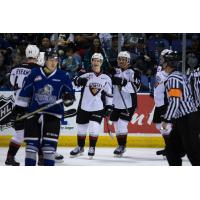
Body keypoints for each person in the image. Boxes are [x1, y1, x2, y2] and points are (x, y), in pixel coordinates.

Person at [12, 51, 75, 166]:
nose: (53, 62)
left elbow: (70, 96)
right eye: (51, 59)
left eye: (56, 60)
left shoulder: (63, 76)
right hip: (33, 115)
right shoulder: (34, 73)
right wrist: (19, 109)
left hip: (53, 116)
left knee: (49, 149)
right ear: (45, 60)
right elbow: (25, 92)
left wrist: (69, 97)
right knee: (31, 147)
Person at [70, 53, 113, 159]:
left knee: (94, 128)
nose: (96, 62)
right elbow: (74, 82)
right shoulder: (85, 73)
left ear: (101, 62)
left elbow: (109, 94)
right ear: (91, 61)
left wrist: (109, 106)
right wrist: (78, 80)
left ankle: (92, 147)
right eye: (94, 60)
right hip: (83, 106)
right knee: (81, 130)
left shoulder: (106, 78)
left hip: (98, 108)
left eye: (98, 60)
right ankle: (80, 147)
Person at [161, 50, 200, 166]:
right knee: (172, 151)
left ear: (167, 63)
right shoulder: (179, 76)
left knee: (193, 152)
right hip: (183, 119)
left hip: (187, 119)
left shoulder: (173, 79)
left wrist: (167, 119)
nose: (161, 62)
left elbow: (174, 101)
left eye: (163, 60)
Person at [5, 45, 41, 166]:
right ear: (37, 55)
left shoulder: (15, 69)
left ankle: (10, 158)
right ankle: (41, 159)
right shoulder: (39, 70)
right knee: (39, 133)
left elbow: (11, 83)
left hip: (18, 105)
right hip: (33, 106)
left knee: (19, 134)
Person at [109, 51, 141, 157]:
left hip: (128, 103)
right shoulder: (115, 71)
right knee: (116, 125)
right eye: (120, 59)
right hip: (116, 103)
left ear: (128, 61)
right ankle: (120, 145)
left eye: (124, 59)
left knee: (122, 125)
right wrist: (110, 75)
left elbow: (136, 88)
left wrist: (123, 83)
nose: (121, 61)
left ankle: (122, 146)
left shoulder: (133, 72)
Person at [152, 49, 171, 156]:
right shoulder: (159, 68)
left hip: (165, 103)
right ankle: (169, 147)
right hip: (158, 103)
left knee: (166, 126)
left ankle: (171, 148)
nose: (161, 58)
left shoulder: (170, 71)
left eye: (163, 57)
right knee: (159, 126)